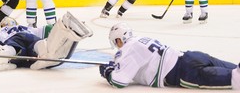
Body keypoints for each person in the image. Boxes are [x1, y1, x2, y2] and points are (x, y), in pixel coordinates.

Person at [99, 22, 240, 90]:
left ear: (119, 40)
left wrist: (109, 72)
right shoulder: (140, 39)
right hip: (190, 56)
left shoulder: (126, 50)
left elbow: (119, 82)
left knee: (236, 78)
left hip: (181, 72)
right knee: (234, 67)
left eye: (116, 42)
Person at [0, 12, 93, 75]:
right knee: (47, 52)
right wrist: (55, 28)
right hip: (32, 40)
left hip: (15, 42)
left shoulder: (4, 31)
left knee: (4, 52)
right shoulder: (28, 28)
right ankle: (66, 31)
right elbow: (47, 30)